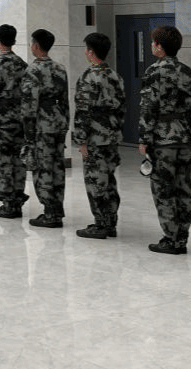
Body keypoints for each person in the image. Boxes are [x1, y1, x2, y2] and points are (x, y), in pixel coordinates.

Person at [138, 25, 191, 254]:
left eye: (154, 42)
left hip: (162, 140)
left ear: (160, 47)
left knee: (163, 190)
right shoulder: (187, 72)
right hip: (183, 139)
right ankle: (182, 236)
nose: (152, 45)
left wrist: (143, 138)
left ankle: (171, 238)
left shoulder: (154, 72)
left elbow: (148, 108)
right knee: (183, 189)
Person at [73, 31, 124, 239]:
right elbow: (122, 109)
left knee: (95, 181)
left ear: (91, 52)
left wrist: (81, 139)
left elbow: (83, 111)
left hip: (95, 138)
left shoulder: (88, 77)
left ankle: (101, 224)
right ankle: (110, 222)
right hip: (112, 137)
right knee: (109, 180)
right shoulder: (116, 76)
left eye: (86, 49)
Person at [22, 28, 69, 228]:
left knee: (43, 169)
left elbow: (29, 106)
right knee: (58, 168)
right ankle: (57, 209)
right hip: (58, 124)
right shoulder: (60, 68)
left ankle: (50, 213)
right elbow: (65, 101)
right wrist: (65, 124)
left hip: (41, 126)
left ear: (36, 45)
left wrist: (28, 134)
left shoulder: (33, 70)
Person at [0, 24, 30, 219]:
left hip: (1, 123)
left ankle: (8, 204)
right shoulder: (23, 65)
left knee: (2, 163)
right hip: (19, 122)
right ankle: (18, 199)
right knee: (18, 161)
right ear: (14, 40)